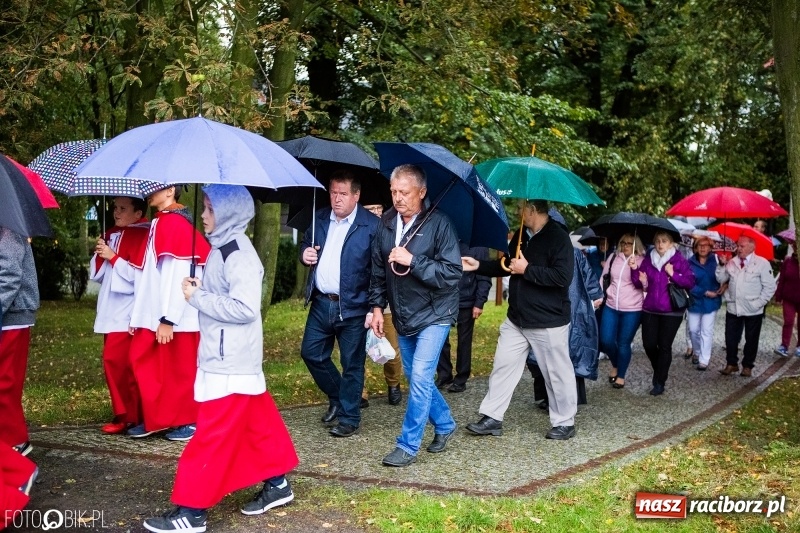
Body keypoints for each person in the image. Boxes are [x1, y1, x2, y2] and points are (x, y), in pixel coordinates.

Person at [143, 185, 298, 533]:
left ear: (227, 214)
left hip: (229, 362)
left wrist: (198, 297)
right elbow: (226, 295)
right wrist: (203, 288)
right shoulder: (224, 248)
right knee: (259, 426)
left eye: (210, 209)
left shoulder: (236, 253)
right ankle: (277, 483)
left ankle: (192, 511)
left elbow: (244, 308)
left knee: (209, 437)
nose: (202, 214)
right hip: (229, 357)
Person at [369, 164, 461, 467]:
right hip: (403, 312)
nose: (397, 198)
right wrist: (377, 308)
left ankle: (407, 446)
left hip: (436, 312)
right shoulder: (386, 223)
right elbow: (378, 271)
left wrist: (414, 260)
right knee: (415, 376)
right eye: (393, 191)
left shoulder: (440, 224)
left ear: (421, 192)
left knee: (420, 375)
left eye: (404, 192)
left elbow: (451, 273)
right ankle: (445, 424)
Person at [463, 199, 576, 440]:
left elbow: (562, 277)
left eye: (520, 209)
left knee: (556, 373)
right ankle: (492, 416)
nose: (517, 213)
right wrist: (479, 265)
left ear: (532, 211)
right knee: (502, 366)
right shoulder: (523, 235)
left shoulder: (559, 238)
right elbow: (508, 266)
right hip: (517, 318)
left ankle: (564, 421)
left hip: (548, 321)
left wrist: (528, 270)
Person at [300, 170, 379, 438]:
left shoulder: (371, 226)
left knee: (352, 363)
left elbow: (378, 270)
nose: (336, 199)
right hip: (322, 302)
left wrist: (374, 307)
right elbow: (305, 243)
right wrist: (305, 254)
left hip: (355, 306)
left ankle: (349, 418)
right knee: (311, 353)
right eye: (333, 192)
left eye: (343, 194)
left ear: (356, 196)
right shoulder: (319, 218)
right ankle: (339, 395)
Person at [128, 184, 211, 440]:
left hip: (174, 317)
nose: (148, 190)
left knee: (178, 371)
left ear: (170, 191)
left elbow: (180, 275)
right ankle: (159, 418)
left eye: (156, 186)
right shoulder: (160, 222)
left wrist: (169, 318)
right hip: (155, 313)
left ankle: (187, 420)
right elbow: (149, 275)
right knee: (152, 367)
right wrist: (138, 314)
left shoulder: (175, 225)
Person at [90, 196, 150, 434]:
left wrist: (113, 256)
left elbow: (140, 277)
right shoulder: (112, 233)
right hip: (110, 307)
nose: (116, 212)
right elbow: (98, 275)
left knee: (121, 364)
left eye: (123, 208)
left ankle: (130, 416)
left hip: (128, 310)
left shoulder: (143, 234)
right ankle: (125, 414)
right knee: (114, 363)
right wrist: (101, 252)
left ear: (138, 213)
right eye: (115, 208)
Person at [528, 243, 603, 407]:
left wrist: (595, 294)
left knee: (559, 354)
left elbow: (587, 276)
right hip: (563, 308)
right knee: (557, 354)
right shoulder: (570, 252)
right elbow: (588, 276)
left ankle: (559, 401)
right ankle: (554, 399)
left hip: (565, 308)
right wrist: (595, 293)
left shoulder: (565, 252)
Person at [630, 231, 695, 396]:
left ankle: (659, 382)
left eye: (664, 241)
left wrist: (673, 274)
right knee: (649, 344)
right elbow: (638, 283)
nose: (660, 244)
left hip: (672, 311)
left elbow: (690, 282)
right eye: (657, 241)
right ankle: (660, 369)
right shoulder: (648, 259)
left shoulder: (679, 260)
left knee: (664, 346)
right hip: (650, 308)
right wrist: (634, 271)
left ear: (671, 243)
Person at [0, 227, 39, 455]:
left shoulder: (8, 229)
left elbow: (9, 276)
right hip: (9, 313)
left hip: (12, 315)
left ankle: (15, 441)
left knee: (5, 383)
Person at [716, 236, 777, 376]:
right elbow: (720, 279)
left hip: (753, 309)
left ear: (752, 247)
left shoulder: (762, 263)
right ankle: (731, 364)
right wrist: (721, 265)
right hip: (733, 307)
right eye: (738, 246)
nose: (739, 248)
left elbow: (769, 287)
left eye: (742, 246)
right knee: (730, 338)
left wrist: (758, 303)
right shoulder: (732, 262)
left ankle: (747, 366)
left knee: (751, 339)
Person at [435, 241, 491, 393]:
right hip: (444, 299)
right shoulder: (445, 240)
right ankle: (444, 374)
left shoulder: (478, 245)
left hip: (467, 299)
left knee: (464, 341)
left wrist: (479, 302)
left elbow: (484, 275)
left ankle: (461, 378)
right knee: (440, 339)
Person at [361, 203, 403, 406]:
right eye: (370, 209)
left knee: (391, 349)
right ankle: (359, 391)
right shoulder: (355, 232)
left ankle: (394, 384)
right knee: (355, 351)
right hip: (358, 302)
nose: (377, 212)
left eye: (379, 208)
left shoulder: (392, 232)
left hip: (384, 302)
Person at [598, 234, 645, 389]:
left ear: (635, 245)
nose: (625, 245)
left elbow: (644, 285)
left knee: (624, 343)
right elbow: (604, 277)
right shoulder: (613, 257)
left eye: (629, 243)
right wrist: (599, 295)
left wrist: (634, 268)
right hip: (611, 305)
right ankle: (617, 364)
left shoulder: (642, 260)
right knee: (606, 340)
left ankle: (621, 375)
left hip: (633, 308)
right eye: (622, 242)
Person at [686, 236, 723, 370]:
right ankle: (696, 351)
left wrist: (723, 286)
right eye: (699, 245)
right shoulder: (689, 262)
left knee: (706, 330)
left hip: (711, 302)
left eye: (706, 245)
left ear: (710, 247)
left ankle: (704, 359)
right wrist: (704, 292)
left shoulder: (717, 260)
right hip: (695, 300)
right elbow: (688, 283)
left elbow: (725, 277)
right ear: (695, 247)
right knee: (693, 329)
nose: (702, 248)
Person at [774, 247, 800, 357]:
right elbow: (782, 279)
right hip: (788, 297)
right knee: (788, 321)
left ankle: (799, 346)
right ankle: (784, 346)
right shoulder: (788, 261)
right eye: (795, 246)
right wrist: (778, 296)